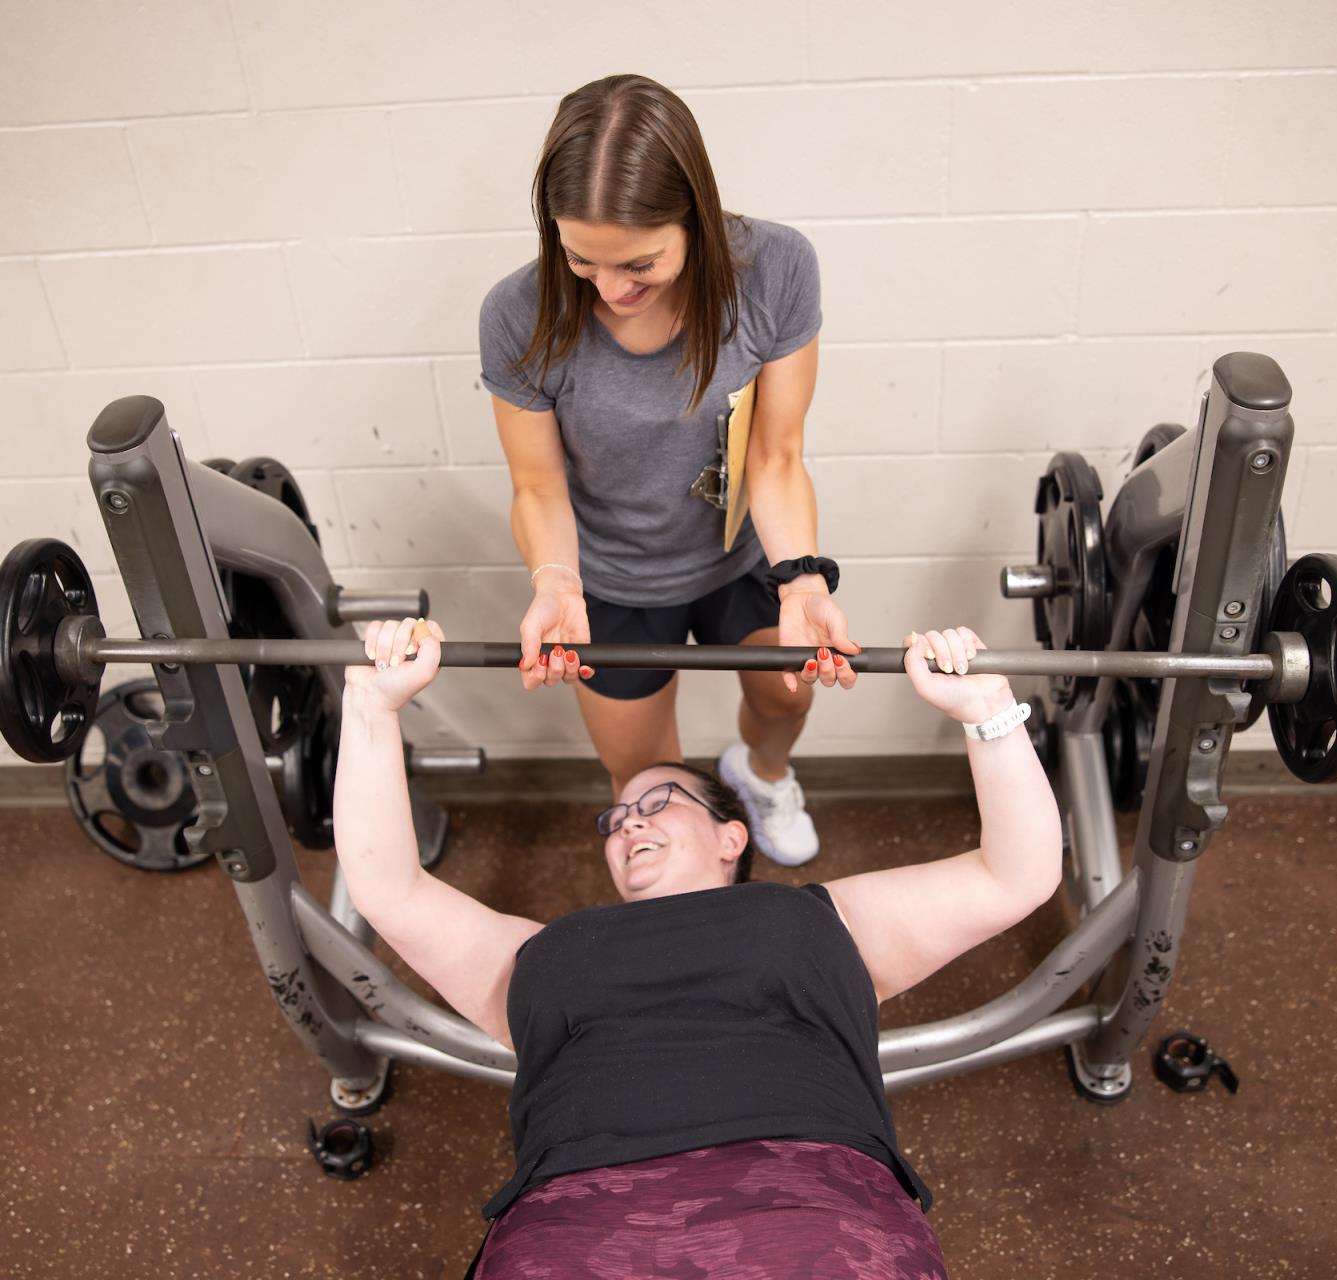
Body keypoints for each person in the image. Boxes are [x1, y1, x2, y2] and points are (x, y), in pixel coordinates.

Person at [336, 618, 1064, 1278]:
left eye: (657, 804)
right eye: (616, 818)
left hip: (810, 1208)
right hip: (577, 1226)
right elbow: (388, 888)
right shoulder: (547, 950)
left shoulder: (817, 918)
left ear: (731, 838)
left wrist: (987, 709)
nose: (628, 826)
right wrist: (372, 705)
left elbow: (1016, 874)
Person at [479, 73, 852, 866]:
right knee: (644, 780)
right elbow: (539, 485)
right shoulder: (518, 312)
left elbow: (777, 455)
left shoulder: (775, 270)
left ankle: (762, 774)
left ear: (695, 219)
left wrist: (803, 579)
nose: (612, 291)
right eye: (583, 260)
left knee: (788, 695)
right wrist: (554, 582)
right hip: (607, 579)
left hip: (740, 551)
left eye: (640, 265)